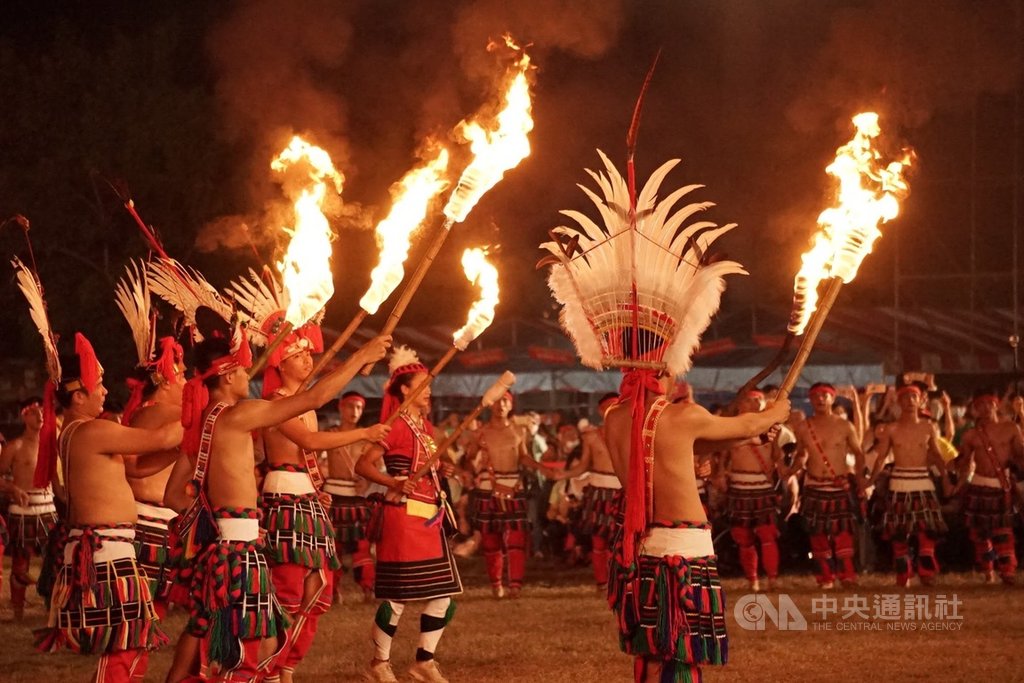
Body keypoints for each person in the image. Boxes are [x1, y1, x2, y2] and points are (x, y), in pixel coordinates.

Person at [164, 326, 391, 681]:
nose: (247, 376)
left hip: (228, 545)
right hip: (238, 549)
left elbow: (174, 495)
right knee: (246, 652)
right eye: (241, 370)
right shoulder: (237, 415)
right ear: (226, 376)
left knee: (253, 640)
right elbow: (312, 400)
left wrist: (213, 524)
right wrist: (362, 356)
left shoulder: (204, 425)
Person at [605, 374, 790, 682]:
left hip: (642, 543)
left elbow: (693, 440)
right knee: (681, 650)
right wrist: (775, 412)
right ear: (665, 368)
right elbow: (744, 425)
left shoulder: (614, 417)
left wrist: (753, 436)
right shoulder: (684, 414)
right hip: (683, 547)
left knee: (652, 648)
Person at [35, 336, 182, 681]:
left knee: (130, 645)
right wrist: (204, 411)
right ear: (77, 396)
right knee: (123, 648)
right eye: (98, 386)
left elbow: (138, 467)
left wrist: (185, 448)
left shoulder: (79, 432)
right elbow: (158, 439)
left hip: (107, 547)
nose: (104, 392)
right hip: (106, 551)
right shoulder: (91, 431)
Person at [257, 323, 390, 683]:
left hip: (309, 500)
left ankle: (286, 665)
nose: (306, 359)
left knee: (320, 594)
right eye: (296, 354)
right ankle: (267, 672)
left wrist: (362, 358)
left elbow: (322, 395)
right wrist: (364, 432)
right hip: (285, 499)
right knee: (287, 594)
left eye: (306, 353)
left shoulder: (306, 399)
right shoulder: (275, 403)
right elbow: (310, 442)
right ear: (280, 364)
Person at [357, 347, 461, 683]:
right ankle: (378, 663)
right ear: (405, 388)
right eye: (423, 383)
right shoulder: (395, 425)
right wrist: (392, 481)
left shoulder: (425, 428)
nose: (429, 389)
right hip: (402, 517)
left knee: (443, 594)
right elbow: (364, 463)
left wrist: (439, 469)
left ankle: (423, 662)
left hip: (429, 518)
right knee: (398, 597)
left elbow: (422, 463)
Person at [468, 391, 556, 598]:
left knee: (516, 537)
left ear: (511, 405)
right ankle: (496, 584)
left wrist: (541, 468)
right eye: (497, 401)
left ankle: (515, 585)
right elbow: (470, 457)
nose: (501, 405)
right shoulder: (480, 433)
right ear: (490, 405)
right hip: (488, 487)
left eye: (505, 401)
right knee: (491, 540)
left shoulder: (519, 431)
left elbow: (523, 457)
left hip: (513, 485)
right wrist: (473, 449)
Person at [867, 384, 950, 587]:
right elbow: (881, 458)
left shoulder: (929, 426)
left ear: (921, 400)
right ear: (898, 401)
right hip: (900, 483)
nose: (910, 401)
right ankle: (904, 574)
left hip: (923, 481)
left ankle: (926, 571)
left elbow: (938, 455)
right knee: (898, 532)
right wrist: (870, 481)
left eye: (914, 397)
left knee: (926, 530)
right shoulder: (891, 428)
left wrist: (946, 478)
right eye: (905, 397)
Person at [792, 383, 868, 588]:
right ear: (810, 399)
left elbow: (859, 454)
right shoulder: (803, 427)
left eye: (825, 395)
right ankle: (825, 577)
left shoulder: (844, 426)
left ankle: (847, 575)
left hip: (839, 485)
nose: (821, 399)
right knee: (817, 533)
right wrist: (792, 468)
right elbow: (801, 453)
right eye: (816, 395)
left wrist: (860, 477)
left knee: (842, 533)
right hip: (814, 486)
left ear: (833, 399)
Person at [718, 389, 786, 592]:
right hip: (739, 487)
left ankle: (772, 580)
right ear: (741, 404)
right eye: (750, 400)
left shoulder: (773, 429)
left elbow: (777, 458)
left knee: (767, 535)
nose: (755, 404)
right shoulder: (729, 428)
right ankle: (752, 580)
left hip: (763, 488)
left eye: (759, 400)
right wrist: (720, 475)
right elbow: (723, 459)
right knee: (743, 537)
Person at [955, 394, 1024, 584]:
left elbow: (1021, 455)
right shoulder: (970, 435)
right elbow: (965, 462)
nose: (985, 407)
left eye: (989, 403)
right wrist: (954, 475)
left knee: (1003, 531)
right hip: (978, 485)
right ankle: (988, 571)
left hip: (1001, 485)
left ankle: (1008, 571)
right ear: (975, 408)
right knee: (980, 533)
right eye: (980, 404)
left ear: (997, 404)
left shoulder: (1011, 428)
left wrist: (1022, 414)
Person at [325, 391, 384, 604]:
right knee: (334, 547)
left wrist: (366, 482)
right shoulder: (330, 435)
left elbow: (377, 467)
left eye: (359, 408)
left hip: (357, 500)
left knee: (361, 547)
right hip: (333, 498)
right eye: (351, 406)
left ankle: (368, 587)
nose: (355, 412)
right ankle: (332, 591)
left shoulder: (366, 438)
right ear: (341, 407)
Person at [0, 397, 55, 620]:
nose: (40, 416)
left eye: (42, 411)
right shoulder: (15, 446)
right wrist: (13, 489)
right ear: (24, 416)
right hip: (22, 511)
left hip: (48, 508)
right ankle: (18, 611)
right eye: (34, 412)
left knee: (54, 561)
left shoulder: (51, 444)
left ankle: (52, 608)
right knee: (20, 564)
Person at [561, 393, 621, 591]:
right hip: (598, 490)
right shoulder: (591, 436)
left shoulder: (631, 434)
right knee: (599, 538)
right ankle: (602, 582)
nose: (612, 411)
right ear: (600, 411)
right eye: (608, 407)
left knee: (619, 539)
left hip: (622, 491)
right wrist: (560, 474)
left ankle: (618, 581)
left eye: (616, 406)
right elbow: (583, 465)